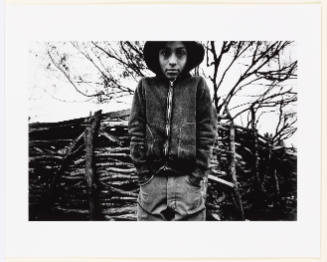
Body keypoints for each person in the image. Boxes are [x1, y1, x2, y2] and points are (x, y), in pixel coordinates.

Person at [128, 41, 216, 221]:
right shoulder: (145, 86)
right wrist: (144, 175)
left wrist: (196, 176)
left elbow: (207, 133)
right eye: (165, 53)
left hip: (187, 183)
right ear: (157, 56)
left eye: (180, 53)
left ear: (188, 56)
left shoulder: (198, 86)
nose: (173, 61)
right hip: (152, 183)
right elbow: (136, 131)